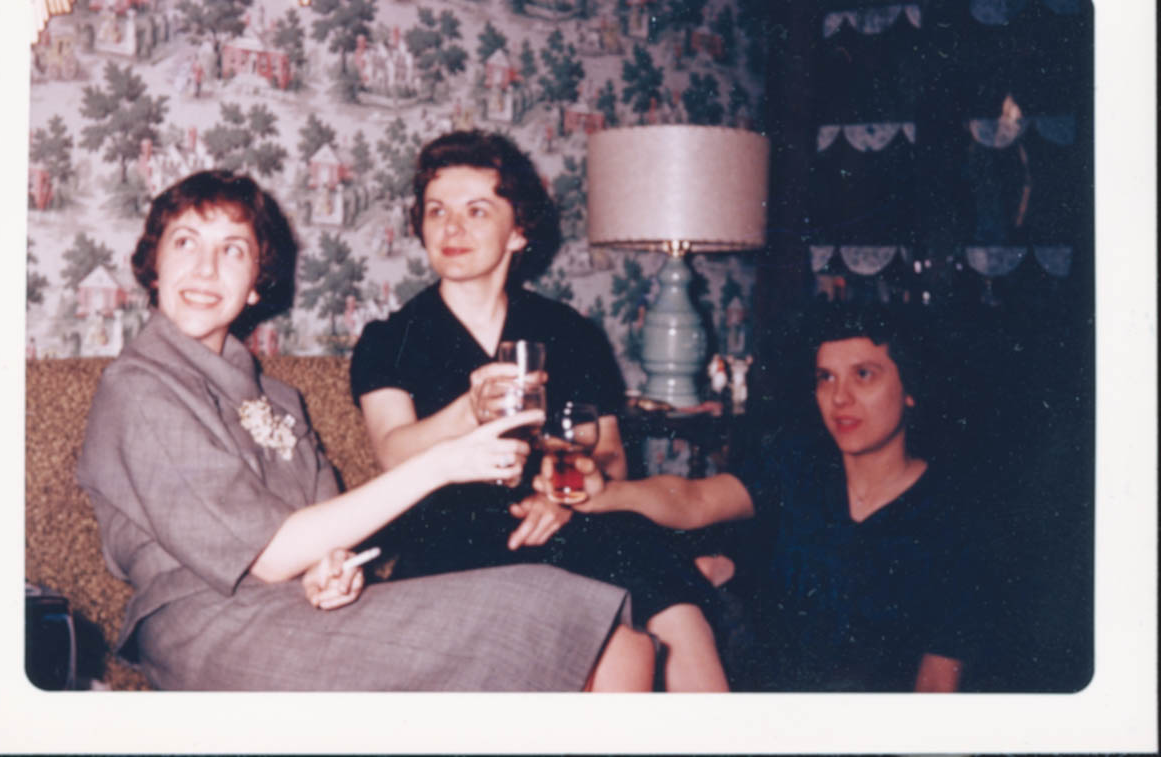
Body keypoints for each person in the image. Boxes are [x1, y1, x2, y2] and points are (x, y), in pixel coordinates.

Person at [76, 170, 655, 691]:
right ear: (153, 265)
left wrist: (330, 572)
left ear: (255, 282)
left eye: (233, 250)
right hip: (209, 628)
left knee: (615, 636)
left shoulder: (279, 399)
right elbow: (270, 555)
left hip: (300, 613)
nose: (206, 269)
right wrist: (442, 463)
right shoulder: (139, 388)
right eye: (185, 243)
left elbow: (326, 539)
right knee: (580, 630)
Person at [350, 130, 728, 691]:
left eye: (476, 210)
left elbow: (609, 457)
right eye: (437, 211)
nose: (452, 228)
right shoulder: (391, 339)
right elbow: (392, 452)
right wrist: (468, 411)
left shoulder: (568, 332)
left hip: (565, 523)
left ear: (518, 231)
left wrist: (563, 497)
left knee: (648, 562)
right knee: (631, 566)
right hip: (449, 537)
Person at [546, 301, 984, 692]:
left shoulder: (952, 516)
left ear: (910, 389)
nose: (840, 397)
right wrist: (607, 493)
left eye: (863, 375)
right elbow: (694, 500)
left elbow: (936, 687)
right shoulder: (799, 466)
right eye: (826, 378)